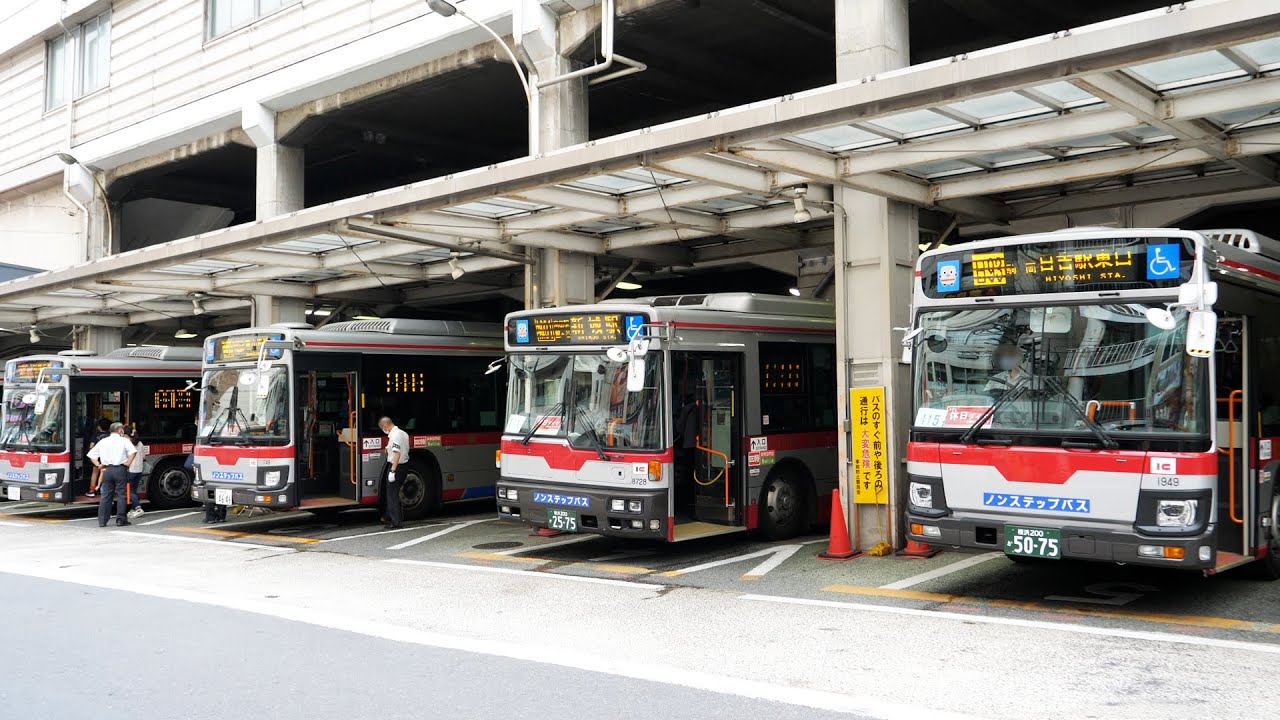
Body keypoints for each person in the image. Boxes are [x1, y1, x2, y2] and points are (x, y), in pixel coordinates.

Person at [87, 422, 137, 527]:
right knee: (121, 495)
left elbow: (91, 455)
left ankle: (102, 521)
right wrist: (128, 463)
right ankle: (121, 519)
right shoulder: (124, 441)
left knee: (106, 495)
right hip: (120, 469)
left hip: (107, 470)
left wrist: (98, 465)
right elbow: (133, 452)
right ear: (120, 430)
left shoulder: (103, 441)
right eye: (122, 429)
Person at [379, 416, 409, 529]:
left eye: (383, 428)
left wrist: (392, 471)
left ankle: (395, 522)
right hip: (404, 466)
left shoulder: (395, 436)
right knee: (394, 493)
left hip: (396, 466)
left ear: (385, 426)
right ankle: (391, 517)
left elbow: (397, 454)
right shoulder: (403, 433)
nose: (384, 430)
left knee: (392, 495)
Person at [84, 418, 111, 498]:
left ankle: (92, 490)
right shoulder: (110, 435)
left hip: (98, 457)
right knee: (105, 472)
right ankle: (104, 489)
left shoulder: (96, 436)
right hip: (108, 457)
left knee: (95, 472)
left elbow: (91, 446)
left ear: (99, 427)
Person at [125, 430, 147, 521]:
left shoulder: (127, 444)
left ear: (127, 435)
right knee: (134, 490)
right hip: (139, 469)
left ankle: (138, 508)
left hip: (131, 470)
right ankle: (133, 509)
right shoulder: (140, 443)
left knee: (129, 491)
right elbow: (144, 457)